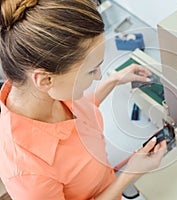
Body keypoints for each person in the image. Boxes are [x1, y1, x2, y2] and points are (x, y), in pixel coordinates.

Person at [0, 0, 167, 199]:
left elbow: (80, 112)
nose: (98, 77)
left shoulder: (44, 94)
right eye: (91, 70)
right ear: (45, 80)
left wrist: (113, 81)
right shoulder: (28, 172)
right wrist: (130, 173)